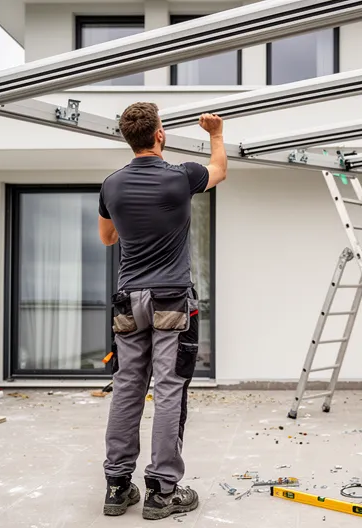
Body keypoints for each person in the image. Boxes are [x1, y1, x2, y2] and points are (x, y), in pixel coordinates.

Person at [97, 102, 227, 520]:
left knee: (127, 387)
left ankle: (117, 486)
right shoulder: (181, 177)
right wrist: (216, 134)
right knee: (169, 389)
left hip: (128, 300)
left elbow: (107, 237)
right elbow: (220, 169)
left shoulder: (111, 185)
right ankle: (162, 491)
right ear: (159, 135)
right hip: (171, 299)